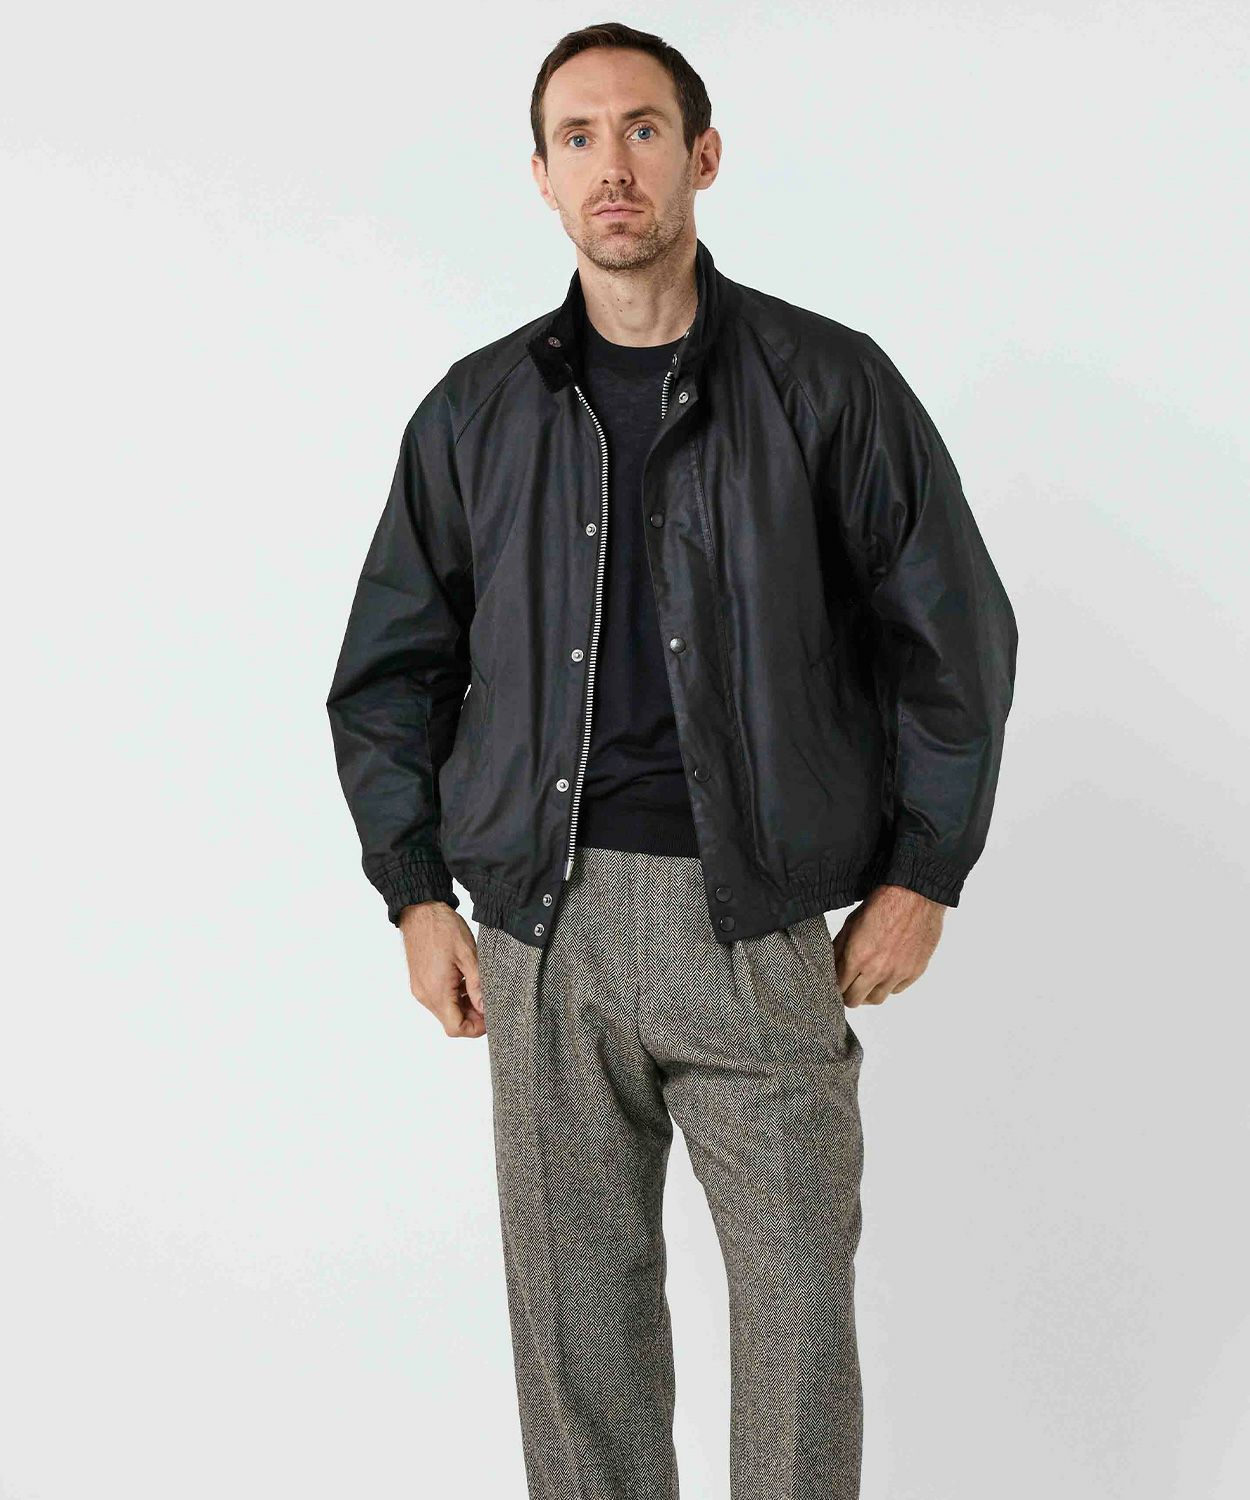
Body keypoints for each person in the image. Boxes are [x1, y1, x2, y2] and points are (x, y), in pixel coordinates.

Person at [325, 21, 1018, 1500]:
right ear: (539, 176)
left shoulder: (825, 383)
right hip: (540, 927)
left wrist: (923, 873)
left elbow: (954, 636)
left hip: (753, 922)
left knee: (796, 1327)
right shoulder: (475, 413)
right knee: (576, 1349)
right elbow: (388, 673)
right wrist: (416, 894)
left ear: (701, 155)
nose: (612, 165)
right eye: (576, 137)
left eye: (642, 129)